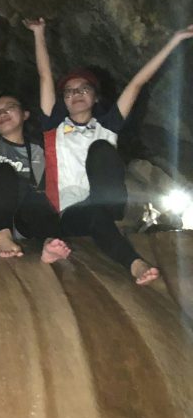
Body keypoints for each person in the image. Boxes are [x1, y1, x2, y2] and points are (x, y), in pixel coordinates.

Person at [30, 18, 193, 284]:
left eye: (84, 89)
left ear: (95, 98)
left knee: (102, 150)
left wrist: (175, 41)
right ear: (64, 102)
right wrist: (39, 33)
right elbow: (44, 75)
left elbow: (138, 83)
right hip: (70, 213)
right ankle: (134, 264)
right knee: (93, 215)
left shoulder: (107, 127)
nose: (76, 93)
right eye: (70, 92)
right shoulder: (54, 128)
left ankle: (102, 225)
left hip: (107, 200)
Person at [0, 15, 71, 263]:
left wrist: (38, 34)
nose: (2, 113)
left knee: (40, 194)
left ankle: (50, 243)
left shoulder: (39, 148)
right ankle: (1, 236)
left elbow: (46, 80)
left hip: (26, 227)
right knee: (4, 171)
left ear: (25, 115)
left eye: (10, 108)